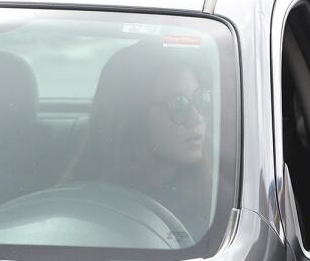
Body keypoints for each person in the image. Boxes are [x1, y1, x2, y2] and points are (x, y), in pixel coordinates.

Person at [68, 41, 215, 243]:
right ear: (130, 116)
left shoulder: (224, 205)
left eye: (199, 99)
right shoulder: (72, 206)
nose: (197, 118)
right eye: (177, 104)